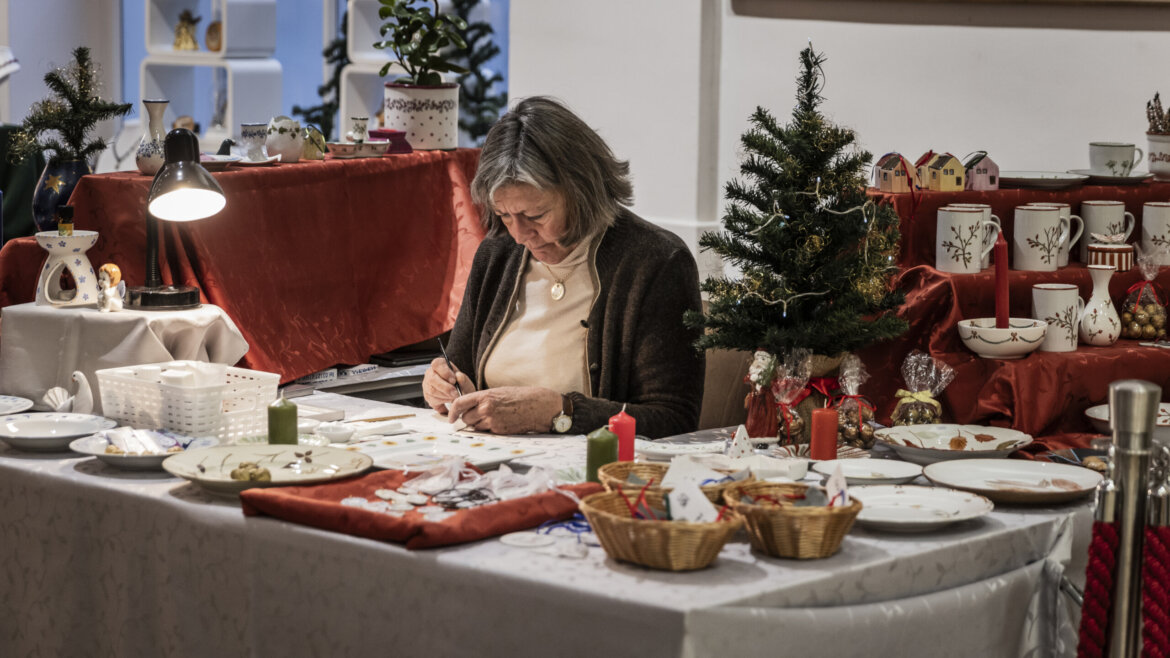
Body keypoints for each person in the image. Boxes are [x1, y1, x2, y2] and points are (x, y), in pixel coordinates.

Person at [422, 96, 704, 439]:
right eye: (504, 215)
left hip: (598, 466)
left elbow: (674, 421)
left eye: (536, 215)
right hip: (488, 457)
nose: (519, 234)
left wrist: (561, 412)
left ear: (581, 190)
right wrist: (442, 385)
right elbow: (457, 372)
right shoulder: (497, 254)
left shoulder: (656, 262)